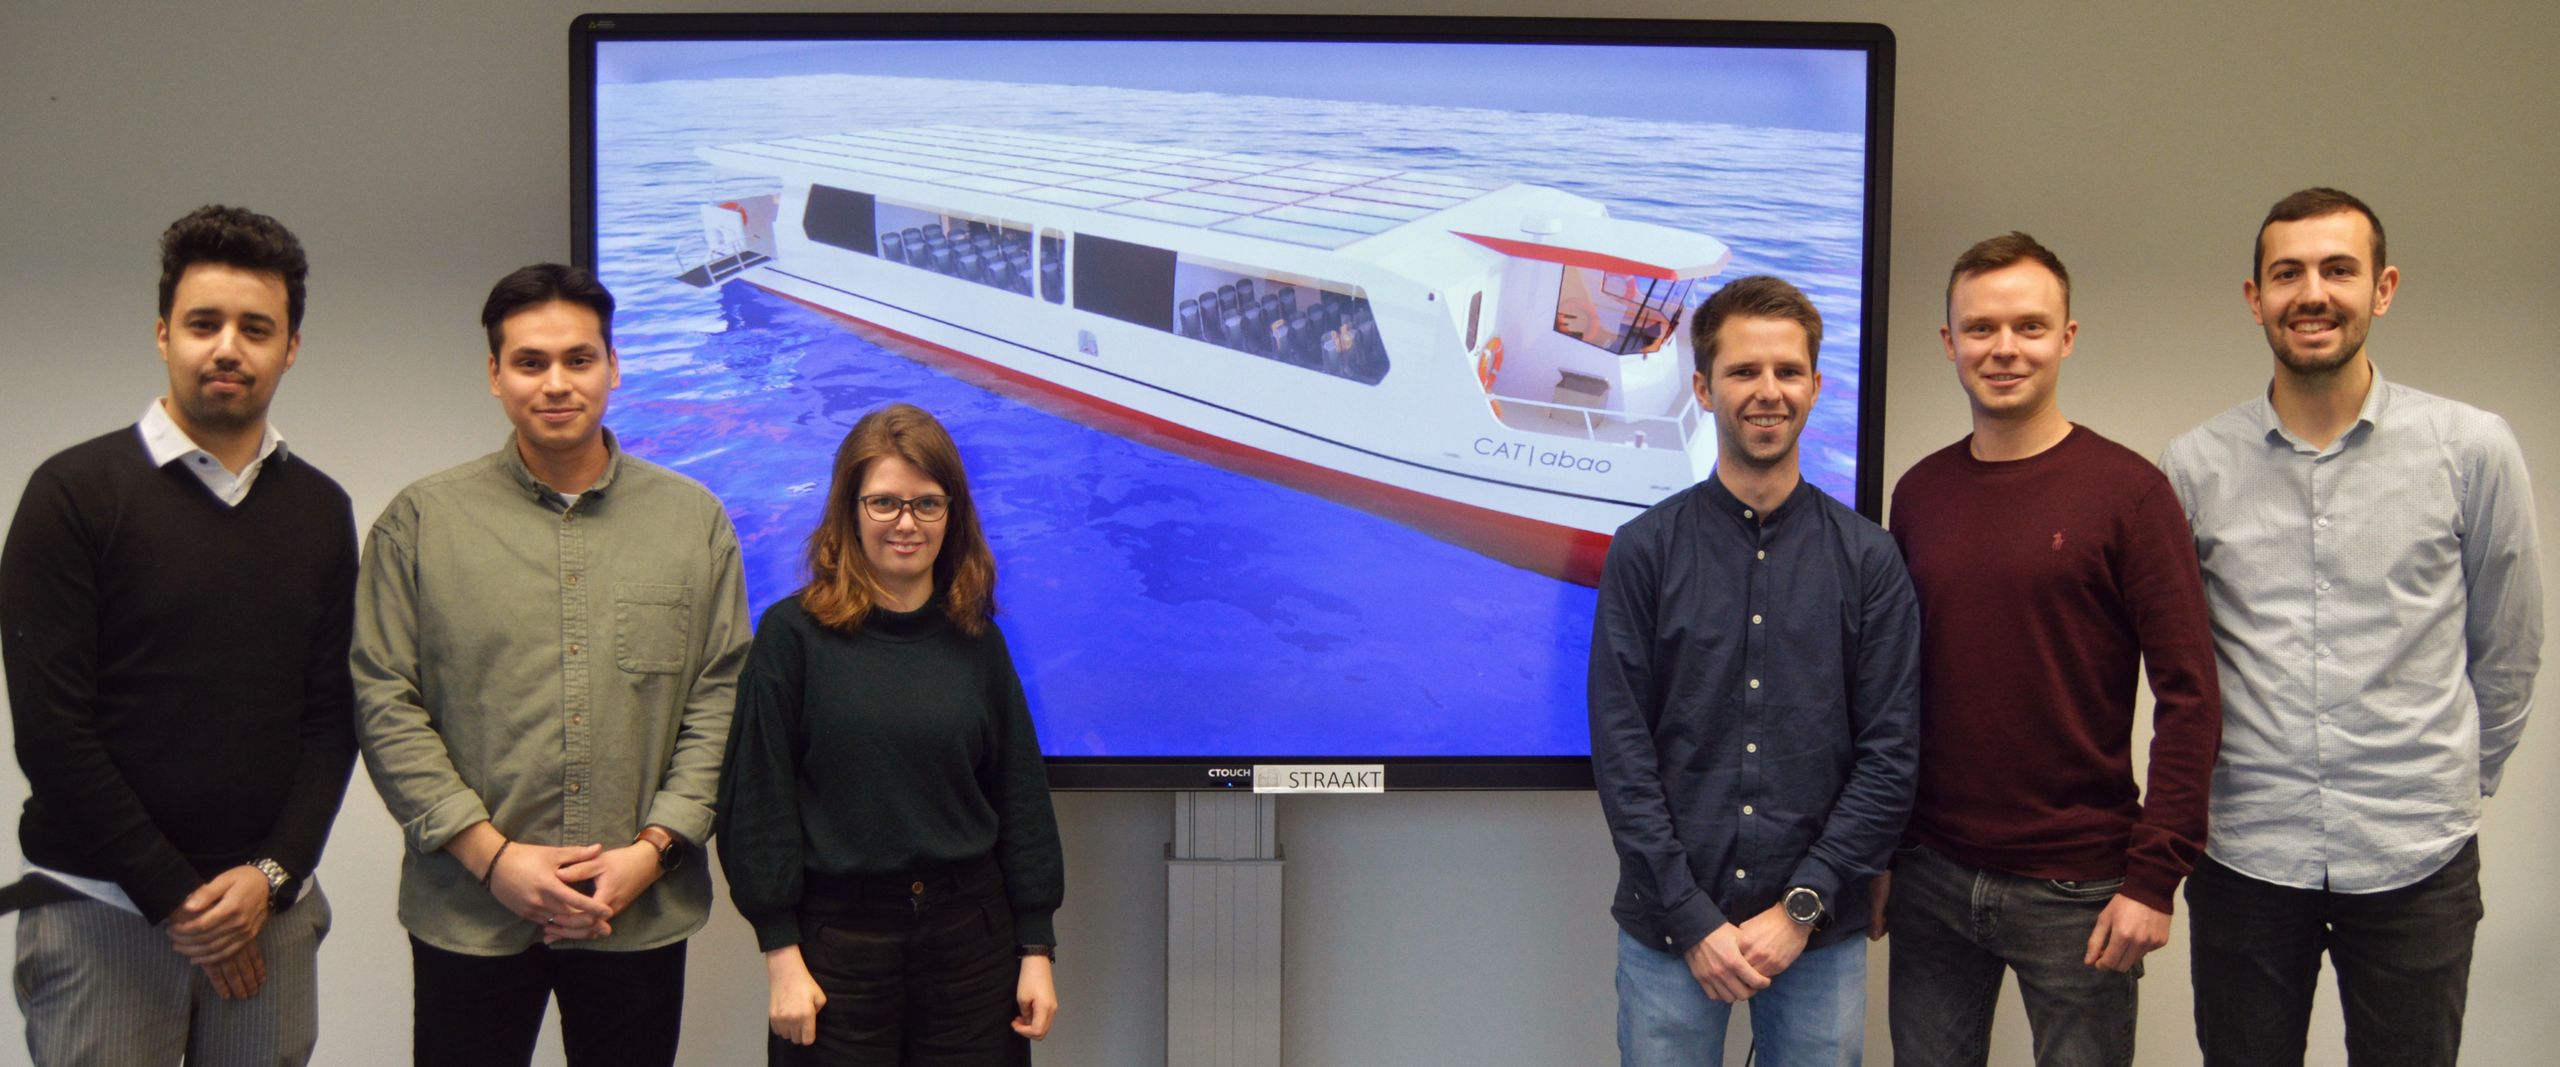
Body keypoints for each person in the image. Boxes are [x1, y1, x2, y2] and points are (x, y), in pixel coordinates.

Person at [2160, 188, 2542, 1065]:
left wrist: (2452, 783)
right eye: (2287, 273)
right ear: (2254, 297)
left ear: (2385, 288)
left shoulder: (2471, 449)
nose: (2313, 293)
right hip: (2248, 854)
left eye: (2339, 269)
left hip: (2416, 854)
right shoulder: (2192, 467)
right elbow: (2180, 666)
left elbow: (2509, 645)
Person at [352, 263, 751, 1067]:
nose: (556, 382)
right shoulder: (421, 522)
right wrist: (493, 858)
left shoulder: (692, 520)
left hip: (636, 908)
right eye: (530, 362)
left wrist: (652, 852)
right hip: (469, 910)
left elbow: (720, 700)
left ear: (613, 366)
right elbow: (383, 698)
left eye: (578, 358)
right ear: (494, 374)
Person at [1, 205, 357, 1065]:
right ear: (164, 333)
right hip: (105, 916)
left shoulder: (320, 508)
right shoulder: (74, 494)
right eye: (204, 323)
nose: (227, 346)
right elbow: (54, 732)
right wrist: (181, 901)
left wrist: (269, 880)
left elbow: (333, 718)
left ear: (291, 347)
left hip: (266, 914)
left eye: (255, 328)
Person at [1875, 233, 2221, 1066]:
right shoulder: (1918, 493)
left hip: (2081, 889)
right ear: (1948, 341)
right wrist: (1882, 851)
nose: (2004, 348)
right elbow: (1891, 690)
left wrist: (2154, 877)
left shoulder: (2130, 495)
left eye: (2029, 326)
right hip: (1931, 872)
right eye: (1981, 327)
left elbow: (2191, 695)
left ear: (2067, 337)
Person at [1589, 274, 1920, 1066]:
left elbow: (1890, 753)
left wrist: (1800, 907)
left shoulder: (1869, 560)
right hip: (1670, 934)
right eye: (1743, 372)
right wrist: (1691, 916)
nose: (1766, 392)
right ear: (1703, 387)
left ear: (1816, 385)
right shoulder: (1644, 552)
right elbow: (1622, 750)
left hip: (1819, 937)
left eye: (1786, 371)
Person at [720, 402, 1064, 1065]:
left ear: (952, 514)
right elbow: (756, 803)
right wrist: (780, 953)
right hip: (836, 952)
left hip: (973, 946)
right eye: (884, 502)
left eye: (927, 503)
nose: (906, 522)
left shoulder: (977, 640)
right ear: (850, 511)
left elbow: (1022, 797)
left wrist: (1036, 947)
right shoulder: (791, 637)